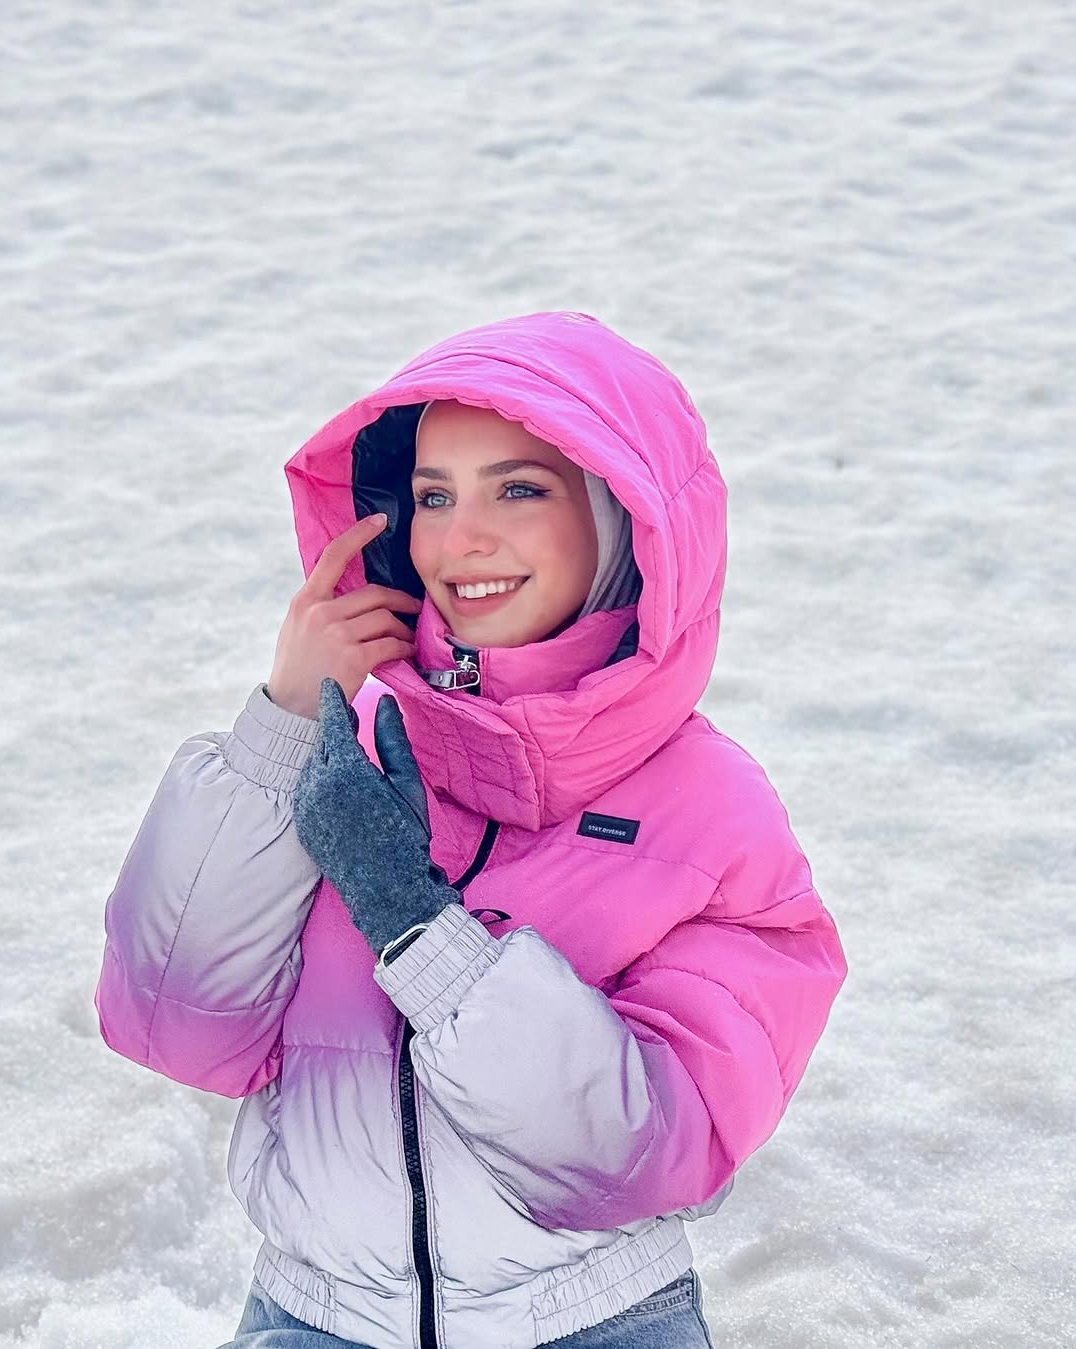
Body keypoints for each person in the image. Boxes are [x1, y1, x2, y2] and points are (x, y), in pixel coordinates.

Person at [94, 310, 848, 1349]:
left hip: (593, 1326)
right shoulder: (345, 743)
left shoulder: (713, 811)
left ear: (623, 518)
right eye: (434, 496)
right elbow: (174, 1026)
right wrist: (280, 727)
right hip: (314, 1319)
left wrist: (417, 923)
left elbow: (635, 1156)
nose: (459, 539)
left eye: (519, 489)